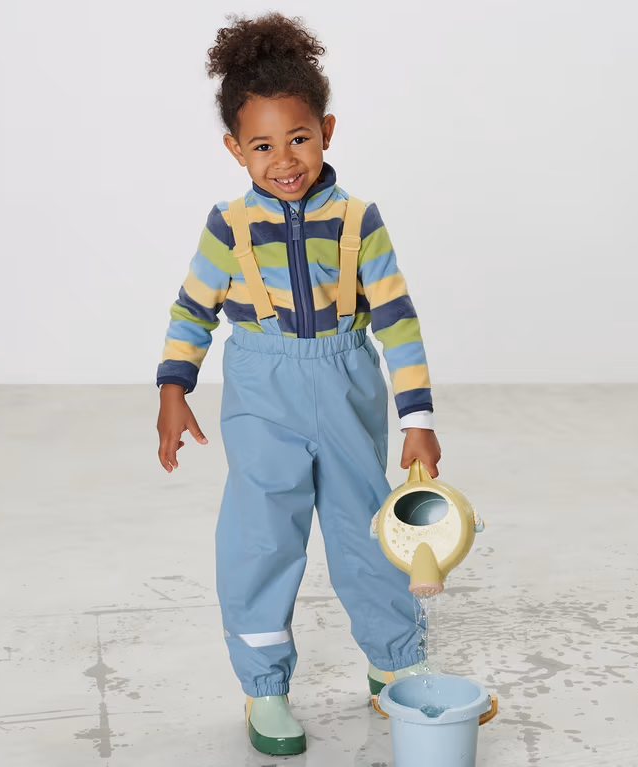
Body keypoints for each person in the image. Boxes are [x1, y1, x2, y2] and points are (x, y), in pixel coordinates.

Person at [155, 12, 441, 757]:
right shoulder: (227, 227)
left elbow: (398, 320)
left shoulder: (359, 220)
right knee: (261, 537)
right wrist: (174, 389)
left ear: (327, 131)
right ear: (234, 148)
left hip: (347, 386)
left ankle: (393, 661)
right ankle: (265, 686)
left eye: (300, 138)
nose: (284, 159)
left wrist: (418, 418)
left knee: (366, 529)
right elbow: (192, 310)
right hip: (262, 391)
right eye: (262, 145)